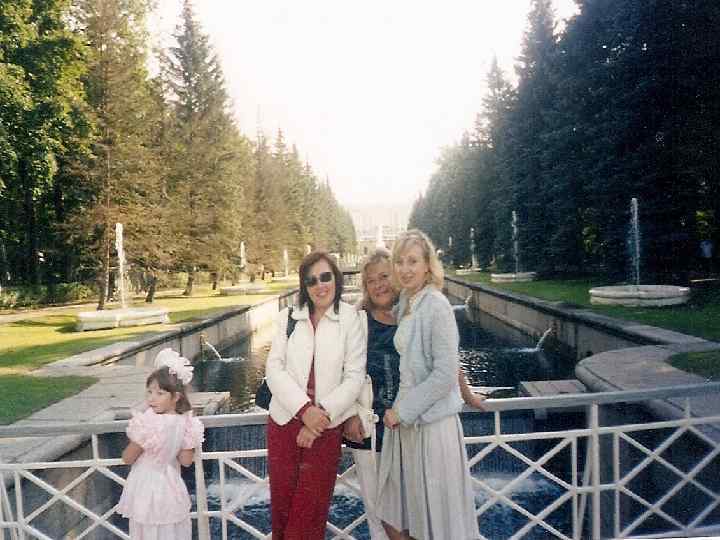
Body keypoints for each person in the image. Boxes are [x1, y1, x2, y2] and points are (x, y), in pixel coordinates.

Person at [345, 247, 486, 540]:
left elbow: (444, 359)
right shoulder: (357, 320)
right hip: (372, 428)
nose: (379, 285)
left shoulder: (413, 311)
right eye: (371, 281)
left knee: (414, 513)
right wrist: (348, 416)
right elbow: (342, 372)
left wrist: (468, 394)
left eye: (384, 276)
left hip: (410, 429)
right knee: (382, 514)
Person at [265, 250, 367, 539]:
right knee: (283, 512)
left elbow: (354, 376)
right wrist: (304, 410)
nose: (320, 285)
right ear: (304, 286)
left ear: (336, 278)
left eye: (325, 277)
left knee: (309, 513)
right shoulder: (288, 317)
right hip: (284, 424)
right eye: (311, 281)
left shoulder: (351, 319)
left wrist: (318, 417)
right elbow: (274, 369)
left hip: (325, 429)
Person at [117, 348, 205, 540]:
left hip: (146, 488)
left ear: (175, 397)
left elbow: (128, 458)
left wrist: (136, 441)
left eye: (159, 393)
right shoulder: (186, 422)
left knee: (148, 532)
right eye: (149, 392)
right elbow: (186, 461)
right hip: (171, 486)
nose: (151, 398)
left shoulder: (148, 423)